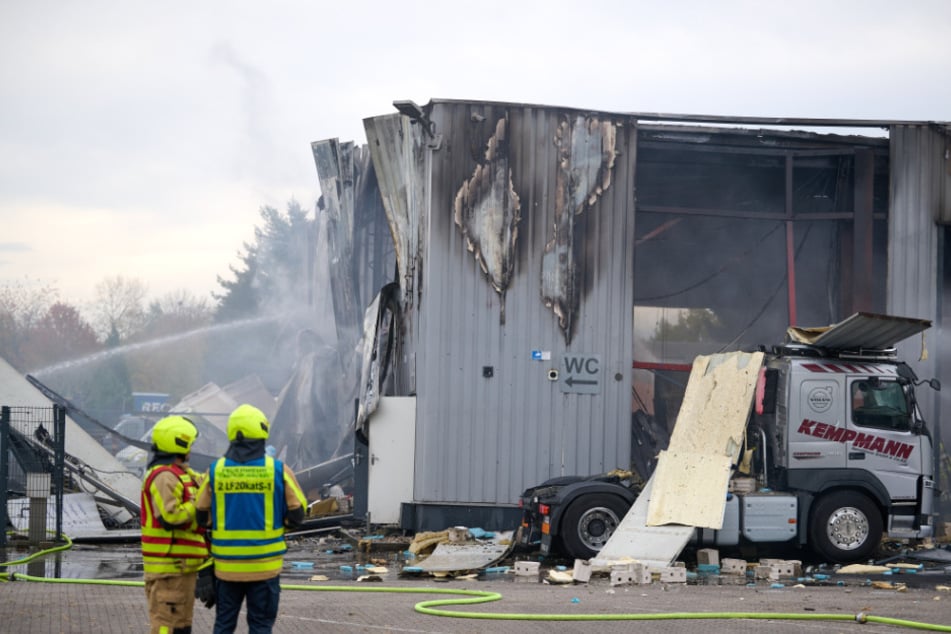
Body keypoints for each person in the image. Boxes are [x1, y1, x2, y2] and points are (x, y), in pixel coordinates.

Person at [196, 404, 307, 634]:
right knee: (260, 626)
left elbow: (200, 514)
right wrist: (279, 526)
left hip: (227, 568)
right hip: (265, 567)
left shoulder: (215, 471)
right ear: (262, 431)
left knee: (224, 625)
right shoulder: (277, 470)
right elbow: (298, 513)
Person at [140, 415, 210, 634]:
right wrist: (198, 503)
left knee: (181, 624)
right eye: (190, 443)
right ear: (179, 443)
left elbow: (205, 481)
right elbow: (170, 516)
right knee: (166, 625)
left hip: (182, 567)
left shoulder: (182, 473)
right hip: (168, 568)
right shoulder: (164, 477)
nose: (192, 449)